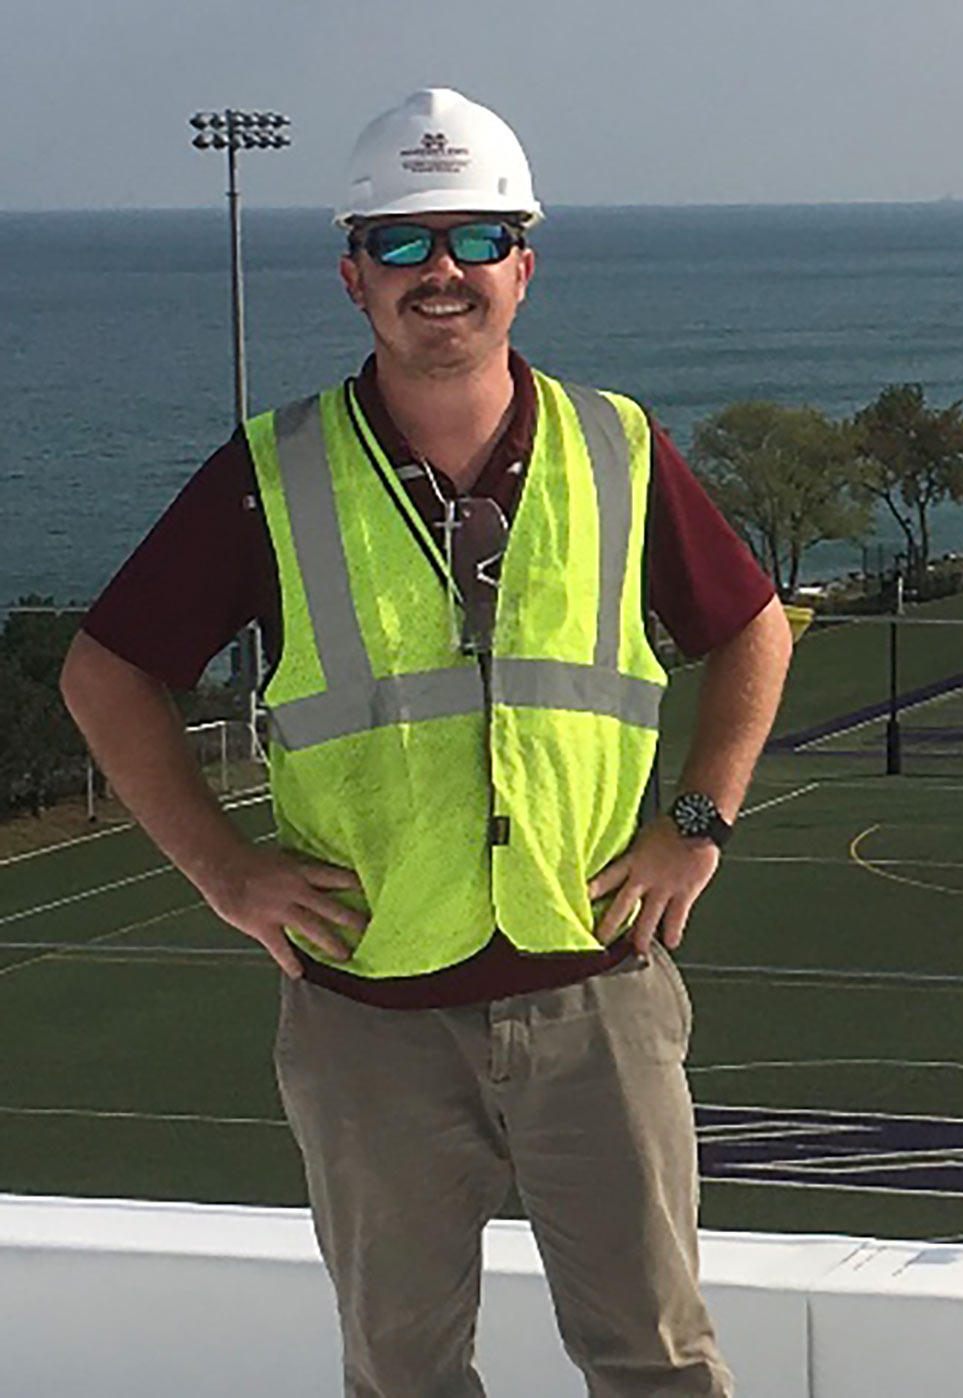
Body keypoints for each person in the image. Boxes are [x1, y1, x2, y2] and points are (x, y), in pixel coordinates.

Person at [61, 87, 792, 1397]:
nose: (440, 271)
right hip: (368, 1017)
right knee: (403, 1372)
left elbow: (753, 629)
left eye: (474, 238)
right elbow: (106, 672)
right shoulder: (271, 471)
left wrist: (695, 823)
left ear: (525, 263)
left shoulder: (618, 449)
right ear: (354, 275)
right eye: (402, 243)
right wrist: (227, 874)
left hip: (596, 991)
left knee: (660, 1362)